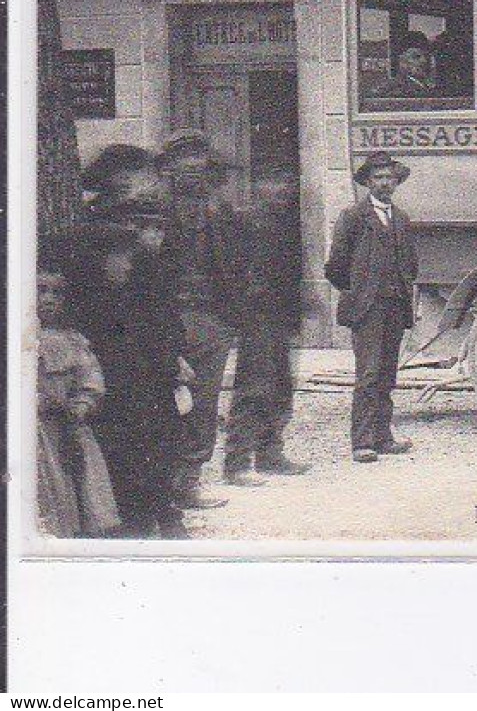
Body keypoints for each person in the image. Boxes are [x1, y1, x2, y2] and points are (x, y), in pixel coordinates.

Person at [72, 213, 190, 538]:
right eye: (120, 257)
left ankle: (165, 512)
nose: (127, 265)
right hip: (113, 396)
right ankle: (144, 516)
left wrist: (170, 364)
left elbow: (157, 335)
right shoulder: (90, 302)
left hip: (145, 391)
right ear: (100, 260)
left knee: (159, 442)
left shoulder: (136, 291)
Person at [159, 130, 246, 511]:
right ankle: (159, 483)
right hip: (165, 316)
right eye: (183, 161)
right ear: (170, 168)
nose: (191, 169)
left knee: (204, 402)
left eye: (198, 161)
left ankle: (189, 480)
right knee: (163, 399)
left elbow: (235, 264)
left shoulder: (219, 209)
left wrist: (230, 320)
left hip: (210, 319)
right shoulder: (155, 210)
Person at [324, 152, 419, 464]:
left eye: (389, 177)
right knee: (368, 373)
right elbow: (336, 266)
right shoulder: (353, 217)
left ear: (396, 181)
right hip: (367, 309)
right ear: (367, 182)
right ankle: (362, 442)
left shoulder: (401, 219)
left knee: (388, 374)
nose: (384, 183)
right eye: (378, 178)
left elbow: (410, 264)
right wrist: (359, 293)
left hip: (395, 306)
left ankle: (383, 437)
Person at [223, 171, 309, 484]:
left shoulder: (287, 222)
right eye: (274, 181)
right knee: (253, 387)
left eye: (287, 183)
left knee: (281, 386)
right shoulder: (243, 222)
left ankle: (270, 452)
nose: (283, 188)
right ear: (258, 186)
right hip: (256, 316)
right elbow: (232, 270)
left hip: (280, 315)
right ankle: (237, 461)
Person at [35, 241, 120, 538]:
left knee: (79, 483)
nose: (48, 299)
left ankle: (79, 534)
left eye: (56, 293)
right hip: (36, 429)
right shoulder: (21, 338)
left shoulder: (72, 339)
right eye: (41, 291)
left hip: (68, 425)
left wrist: (82, 403)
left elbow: (90, 377)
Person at [370, 32, 436, 100]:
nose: (424, 61)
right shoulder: (393, 91)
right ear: (401, 61)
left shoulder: (430, 87)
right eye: (416, 57)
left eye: (426, 56)